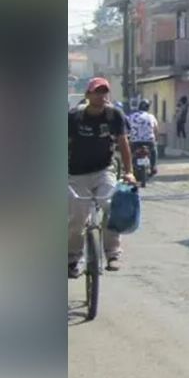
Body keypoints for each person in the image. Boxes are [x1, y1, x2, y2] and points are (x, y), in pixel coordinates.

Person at [68, 78, 137, 277]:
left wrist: (129, 172)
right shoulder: (74, 117)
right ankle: (72, 258)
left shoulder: (114, 115)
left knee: (110, 205)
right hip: (76, 173)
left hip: (104, 170)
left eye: (104, 92)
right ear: (88, 95)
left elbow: (123, 144)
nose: (101, 96)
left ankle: (112, 253)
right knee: (77, 217)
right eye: (97, 92)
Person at [127, 99, 159, 177]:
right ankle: (153, 167)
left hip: (135, 141)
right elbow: (156, 129)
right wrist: (156, 139)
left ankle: (129, 168)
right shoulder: (151, 117)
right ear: (148, 108)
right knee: (154, 151)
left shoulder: (131, 116)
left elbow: (127, 128)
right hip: (149, 141)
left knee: (130, 154)